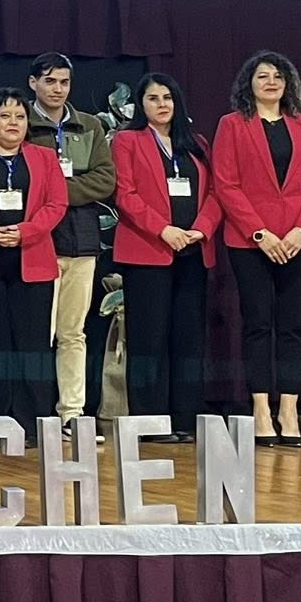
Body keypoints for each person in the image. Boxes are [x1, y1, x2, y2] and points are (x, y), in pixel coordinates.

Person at [213, 50, 301, 447]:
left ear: (289, 83)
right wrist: (260, 234)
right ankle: (261, 409)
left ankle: (289, 409)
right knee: (258, 324)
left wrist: (300, 230)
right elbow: (226, 184)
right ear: (249, 83)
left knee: (294, 326)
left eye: (278, 75)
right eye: (263, 75)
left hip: (299, 241)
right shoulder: (232, 124)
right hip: (251, 243)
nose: (271, 81)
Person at [111, 73, 220, 444]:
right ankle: (149, 422)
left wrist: (201, 229)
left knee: (188, 339)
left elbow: (216, 194)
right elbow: (126, 195)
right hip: (147, 253)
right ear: (141, 105)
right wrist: (164, 230)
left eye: (167, 97)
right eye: (153, 98)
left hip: (192, 251)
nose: (161, 104)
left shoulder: (197, 143)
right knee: (149, 340)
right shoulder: (127, 141)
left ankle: (185, 419)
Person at [0, 87, 69, 442]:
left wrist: (25, 232)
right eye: (5, 116)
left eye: (20, 116)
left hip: (33, 259)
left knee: (32, 344)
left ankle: (33, 420)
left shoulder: (44, 157)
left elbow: (56, 204)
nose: (13, 123)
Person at [24, 52, 115, 442]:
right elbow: (18, 179)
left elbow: (105, 180)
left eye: (64, 82)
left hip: (82, 241)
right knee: (38, 334)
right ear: (33, 83)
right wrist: (53, 194)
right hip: (38, 243)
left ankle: (72, 413)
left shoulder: (89, 125)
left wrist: (56, 191)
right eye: (49, 81)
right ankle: (38, 412)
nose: (57, 89)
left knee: (73, 333)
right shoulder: (22, 123)